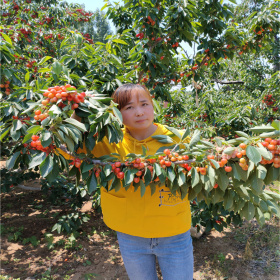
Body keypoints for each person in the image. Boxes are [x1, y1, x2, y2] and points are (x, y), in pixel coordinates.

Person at [61, 84, 193, 280]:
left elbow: (204, 165)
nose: (139, 112)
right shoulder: (108, 142)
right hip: (131, 236)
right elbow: (65, 149)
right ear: (116, 113)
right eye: (129, 107)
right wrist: (78, 113)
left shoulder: (178, 139)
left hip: (174, 233)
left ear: (153, 105)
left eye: (144, 104)